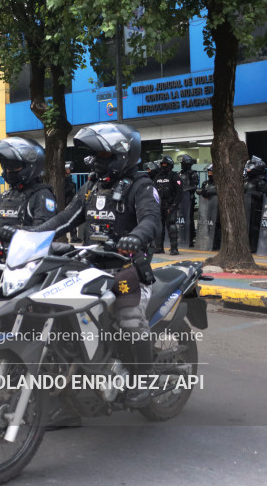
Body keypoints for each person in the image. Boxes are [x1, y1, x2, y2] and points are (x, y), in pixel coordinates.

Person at [24, 122, 161, 410]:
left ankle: (142, 381)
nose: (96, 162)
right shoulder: (90, 188)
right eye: (95, 156)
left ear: (122, 156)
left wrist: (136, 237)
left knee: (130, 319)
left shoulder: (141, 185)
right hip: (90, 264)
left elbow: (151, 220)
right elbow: (64, 219)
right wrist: (27, 236)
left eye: (103, 156)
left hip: (127, 268)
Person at [154, 155, 183, 255]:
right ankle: (159, 247)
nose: (163, 166)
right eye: (162, 164)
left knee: (171, 226)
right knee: (159, 227)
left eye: (166, 164)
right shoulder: (157, 177)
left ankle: (174, 248)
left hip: (170, 205)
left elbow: (179, 192)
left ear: (170, 165)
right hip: (159, 206)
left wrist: (174, 205)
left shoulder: (174, 176)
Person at [243, 156, 267, 252]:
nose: (249, 169)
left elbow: (263, 195)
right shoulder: (245, 180)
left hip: (255, 208)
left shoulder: (260, 181)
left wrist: (252, 194)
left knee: (254, 228)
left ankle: (253, 246)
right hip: (245, 208)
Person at [178, 154, 200, 246]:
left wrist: (185, 190)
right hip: (180, 199)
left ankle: (190, 238)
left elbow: (194, 186)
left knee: (188, 220)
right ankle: (182, 237)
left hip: (189, 199)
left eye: (183, 163)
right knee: (180, 219)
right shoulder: (179, 174)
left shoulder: (192, 173)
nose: (182, 165)